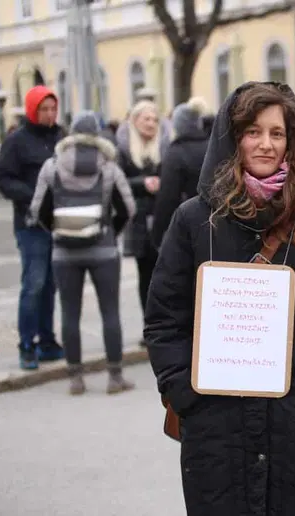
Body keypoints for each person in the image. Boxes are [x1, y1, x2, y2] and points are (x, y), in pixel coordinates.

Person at [144, 81, 295, 516]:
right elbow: (165, 319)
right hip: (220, 419)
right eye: (252, 131)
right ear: (232, 139)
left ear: (292, 142)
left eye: (277, 133)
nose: (265, 143)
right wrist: (187, 395)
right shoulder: (195, 221)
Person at [26, 111, 137, 394]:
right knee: (110, 311)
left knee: (69, 313)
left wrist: (57, 229)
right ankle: (115, 377)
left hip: (64, 252)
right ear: (97, 136)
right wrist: (111, 231)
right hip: (104, 249)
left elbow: (37, 209)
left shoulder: (51, 167)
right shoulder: (109, 167)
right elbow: (128, 207)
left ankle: (75, 378)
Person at [0, 85, 65, 369]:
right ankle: (27, 343)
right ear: (33, 111)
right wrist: (32, 197)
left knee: (51, 285)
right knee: (34, 283)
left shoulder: (60, 137)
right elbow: (3, 178)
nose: (49, 114)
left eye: (52, 109)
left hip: (57, 223)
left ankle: (48, 340)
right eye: (43, 109)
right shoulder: (17, 141)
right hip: (30, 224)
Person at [118, 100, 162, 339]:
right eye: (146, 118)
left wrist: (162, 183)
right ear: (135, 121)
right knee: (145, 275)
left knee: (164, 277)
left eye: (155, 119)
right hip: (138, 221)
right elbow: (118, 181)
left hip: (161, 221)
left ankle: (163, 327)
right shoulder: (124, 150)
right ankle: (149, 329)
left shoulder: (163, 148)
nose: (151, 123)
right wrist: (142, 184)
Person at [151, 98, 210, 249]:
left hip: (187, 223)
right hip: (215, 222)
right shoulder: (211, 146)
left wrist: (157, 235)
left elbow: (168, 197)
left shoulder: (176, 152)